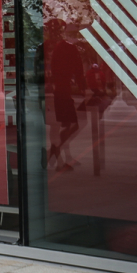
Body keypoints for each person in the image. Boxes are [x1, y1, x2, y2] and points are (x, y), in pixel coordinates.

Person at [45, 19, 86, 171]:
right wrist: (83, 87)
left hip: (54, 91)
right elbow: (78, 69)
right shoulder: (67, 48)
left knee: (61, 127)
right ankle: (55, 154)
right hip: (62, 91)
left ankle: (59, 156)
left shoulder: (50, 47)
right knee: (69, 125)